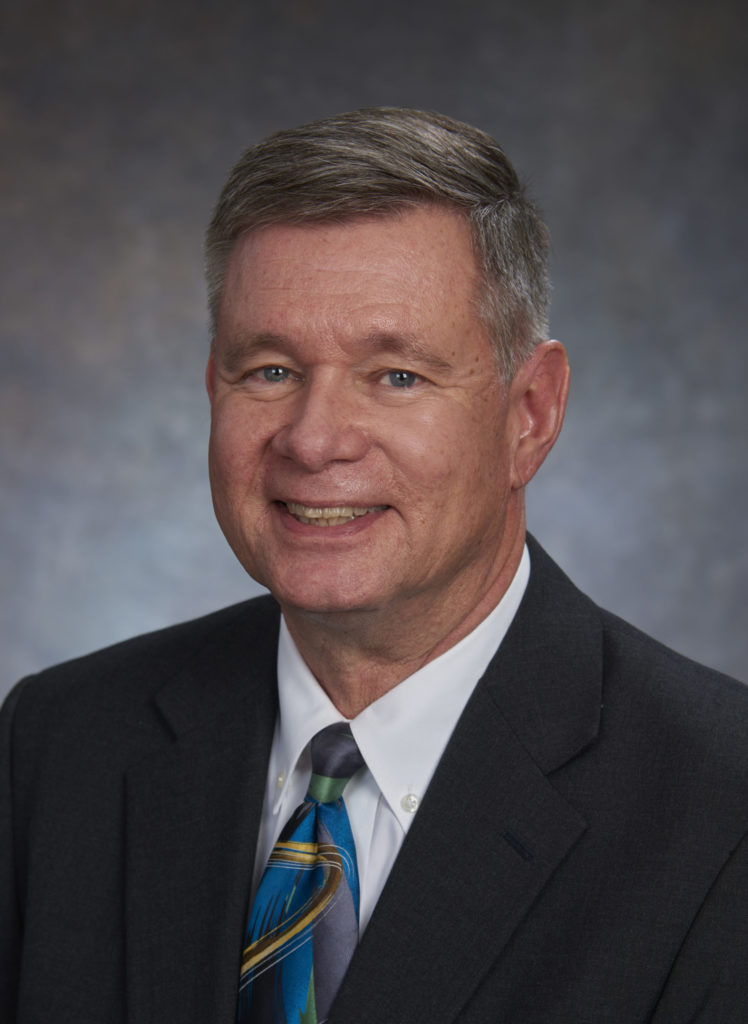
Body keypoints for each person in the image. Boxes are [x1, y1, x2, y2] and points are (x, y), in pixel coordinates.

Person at [1, 107, 746, 1024]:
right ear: (210, 388)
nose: (314, 441)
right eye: (269, 370)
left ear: (531, 415)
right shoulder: (59, 743)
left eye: (397, 376)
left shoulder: (721, 806)